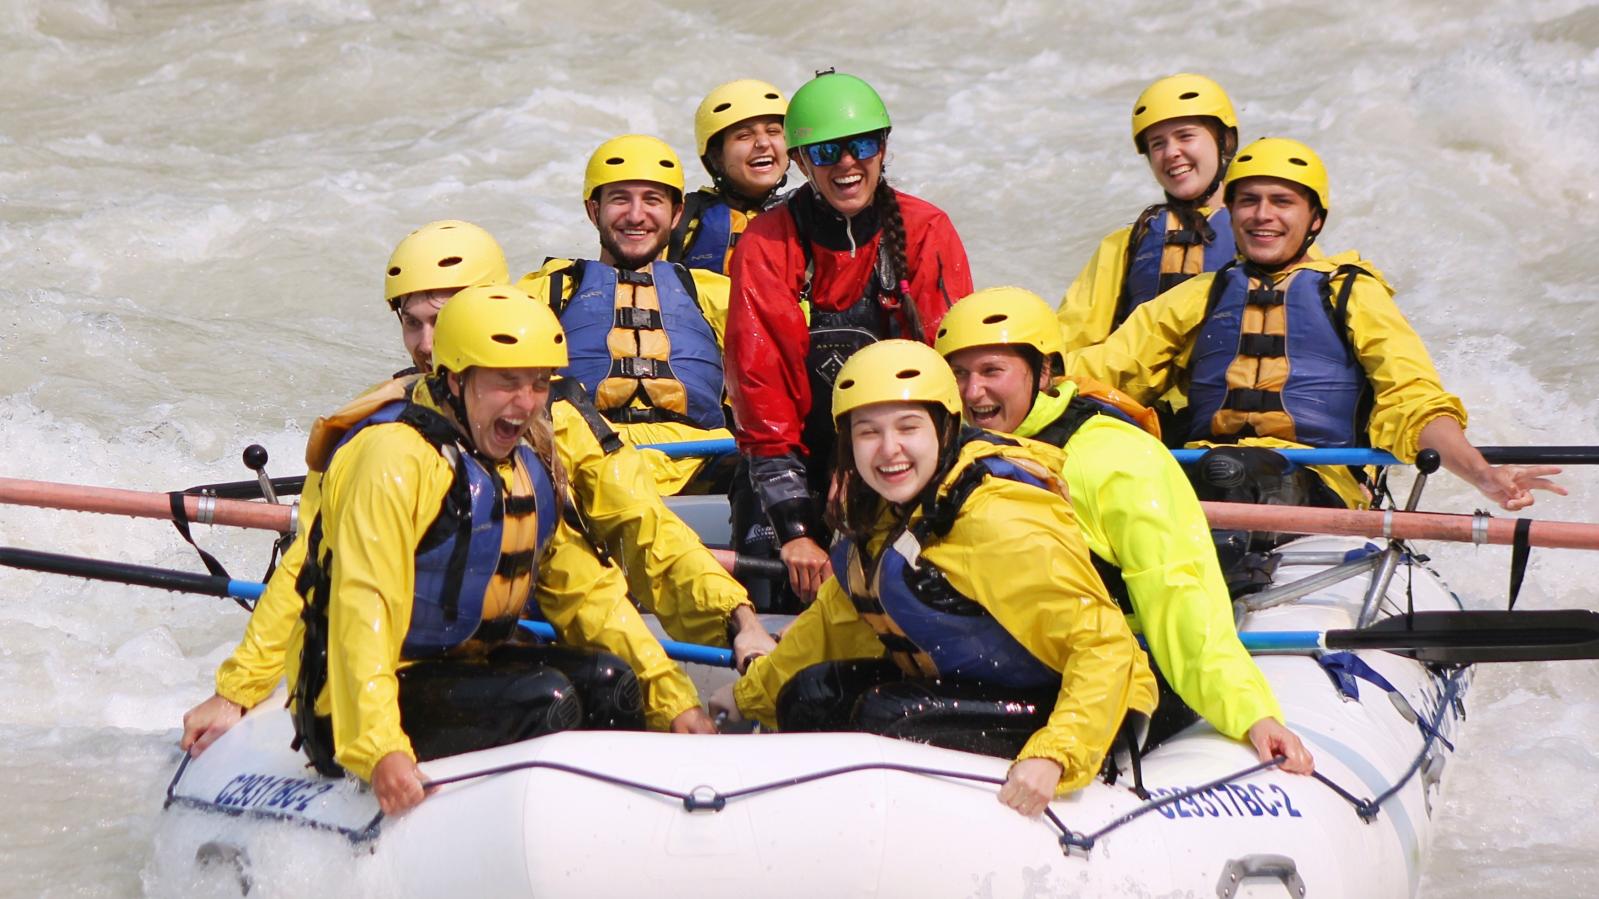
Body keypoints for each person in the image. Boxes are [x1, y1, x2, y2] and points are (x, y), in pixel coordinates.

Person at [184, 222, 774, 768]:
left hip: (513, 629)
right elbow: (308, 569)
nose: (425, 344)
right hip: (402, 660)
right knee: (550, 699)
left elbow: (643, 532)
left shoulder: (556, 418)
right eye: (411, 323)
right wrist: (236, 692)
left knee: (610, 682)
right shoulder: (378, 437)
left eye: (444, 320)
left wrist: (737, 618)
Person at [711, 340, 1158, 818]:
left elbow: (1102, 647)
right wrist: (746, 698)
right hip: (972, 686)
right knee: (811, 693)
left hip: (1090, 714)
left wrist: (1056, 753)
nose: (889, 450)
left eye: (908, 428)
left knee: (886, 715)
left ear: (945, 428)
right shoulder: (878, 512)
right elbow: (832, 625)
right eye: (868, 433)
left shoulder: (999, 519)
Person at [285, 284, 673, 815]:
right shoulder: (394, 458)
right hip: (355, 708)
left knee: (614, 684)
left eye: (539, 383)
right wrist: (380, 747)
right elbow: (363, 607)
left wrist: (671, 697)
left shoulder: (522, 461)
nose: (527, 402)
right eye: (506, 382)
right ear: (455, 379)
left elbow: (587, 594)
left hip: (466, 669)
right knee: (548, 698)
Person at [1070, 138, 1565, 511]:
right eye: (1248, 201)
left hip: (1317, 486)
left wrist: (1481, 474)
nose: (1262, 216)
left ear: (1315, 221)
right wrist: (1003, 362)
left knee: (1240, 472)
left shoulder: (1350, 292)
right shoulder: (1199, 297)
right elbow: (1099, 371)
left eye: (1282, 202)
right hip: (1204, 478)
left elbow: (1412, 400)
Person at [934, 287, 1313, 771]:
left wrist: (1251, 714)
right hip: (1010, 662)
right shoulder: (951, 453)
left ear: (1045, 371)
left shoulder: (1115, 460)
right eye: (959, 374)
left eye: (992, 372)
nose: (972, 393)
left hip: (1120, 677)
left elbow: (1177, 591)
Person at [724, 70, 973, 609]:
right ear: (800, 161)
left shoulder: (927, 228)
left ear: (883, 148)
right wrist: (794, 528)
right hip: (797, 462)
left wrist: (878, 475)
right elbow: (759, 388)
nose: (847, 163)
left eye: (862, 145)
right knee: (771, 581)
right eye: (827, 150)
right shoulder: (767, 243)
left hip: (903, 453)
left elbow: (947, 377)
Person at [520, 135, 734, 496]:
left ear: (677, 213)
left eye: (653, 200)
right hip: (581, 468)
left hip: (704, 465)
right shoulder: (547, 291)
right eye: (620, 199)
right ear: (594, 210)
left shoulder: (715, 293)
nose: (636, 216)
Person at [1057, 74, 1241, 355]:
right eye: (1157, 144)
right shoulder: (1128, 242)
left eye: (1185, 136)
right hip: (1139, 397)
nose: (1171, 152)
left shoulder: (1264, 234)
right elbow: (1071, 337)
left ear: (1225, 141)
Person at [667, 79, 789, 274]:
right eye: (744, 136)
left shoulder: (806, 215)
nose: (763, 143)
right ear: (716, 156)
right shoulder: (683, 218)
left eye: (773, 131)